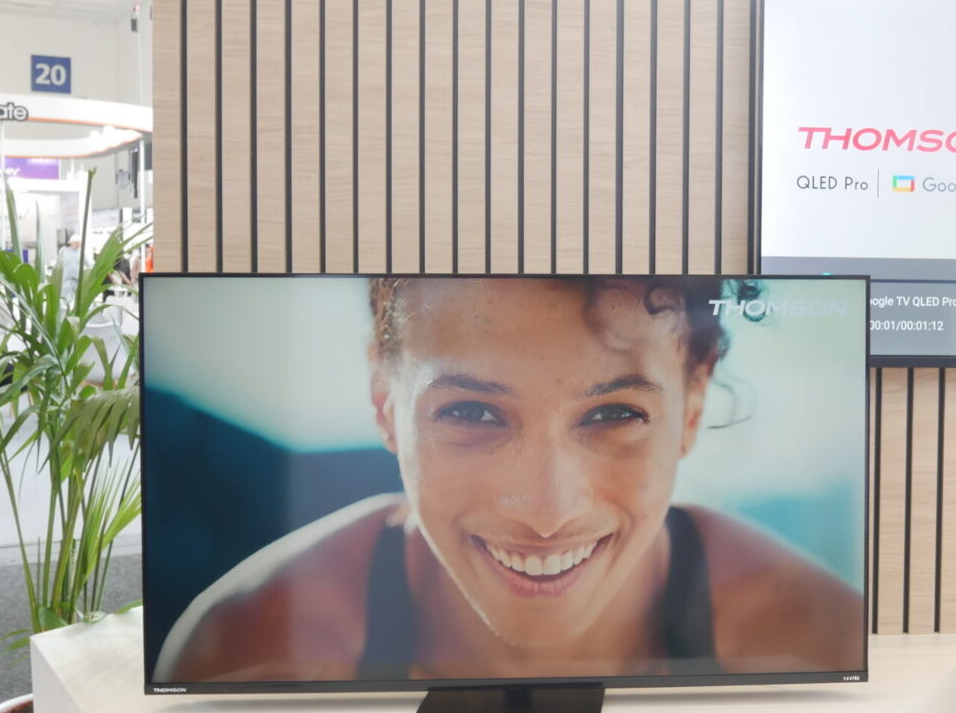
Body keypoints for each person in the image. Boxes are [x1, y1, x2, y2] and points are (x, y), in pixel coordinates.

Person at [157, 276, 863, 684]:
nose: (546, 513)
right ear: (384, 402)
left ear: (693, 407)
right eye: (471, 411)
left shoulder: (817, 645)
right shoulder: (251, 651)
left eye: (615, 414)